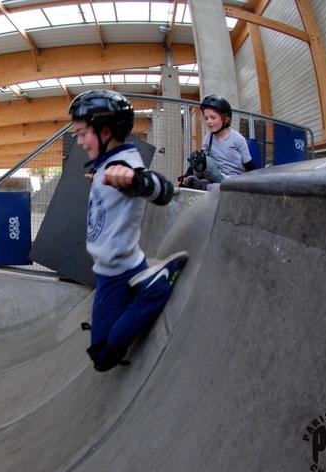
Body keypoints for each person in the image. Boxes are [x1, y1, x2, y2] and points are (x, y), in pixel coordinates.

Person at [69, 89, 189, 372]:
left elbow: (163, 192)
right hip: (107, 271)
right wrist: (98, 178)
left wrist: (137, 181)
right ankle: (138, 292)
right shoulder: (104, 166)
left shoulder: (125, 166)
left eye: (83, 133)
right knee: (99, 350)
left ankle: (155, 288)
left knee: (103, 358)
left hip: (121, 271)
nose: (80, 140)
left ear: (106, 131)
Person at [182, 95, 257, 190]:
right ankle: (193, 181)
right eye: (206, 118)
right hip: (217, 175)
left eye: (213, 118)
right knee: (198, 157)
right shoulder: (209, 137)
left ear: (226, 118)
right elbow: (200, 160)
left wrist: (257, 182)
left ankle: (204, 186)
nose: (208, 122)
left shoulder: (237, 139)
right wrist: (185, 176)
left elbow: (249, 164)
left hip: (235, 179)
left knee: (221, 188)